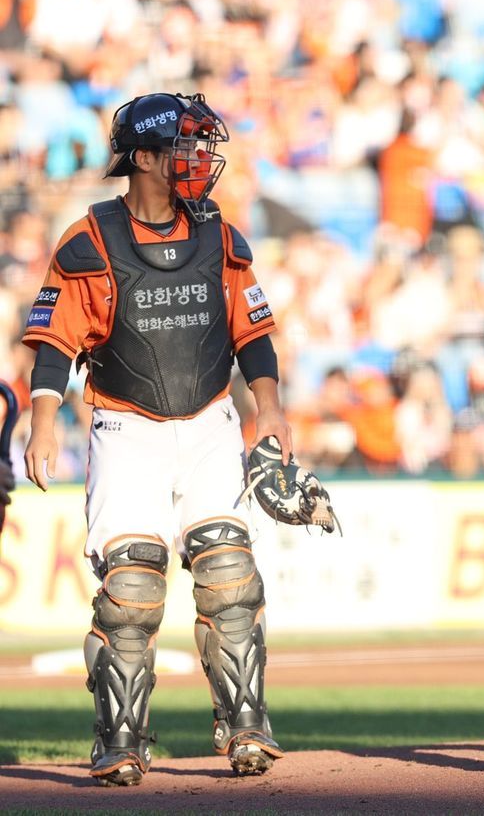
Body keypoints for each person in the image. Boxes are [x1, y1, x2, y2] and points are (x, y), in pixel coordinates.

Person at [21, 93, 291, 786]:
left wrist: (270, 408)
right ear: (143, 158)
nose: (200, 159)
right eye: (185, 146)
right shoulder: (90, 242)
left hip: (210, 424)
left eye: (204, 145)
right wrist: (44, 417)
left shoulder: (220, 235)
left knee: (229, 576)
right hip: (124, 428)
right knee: (132, 588)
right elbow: (55, 344)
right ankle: (119, 739)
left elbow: (252, 333)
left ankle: (245, 726)